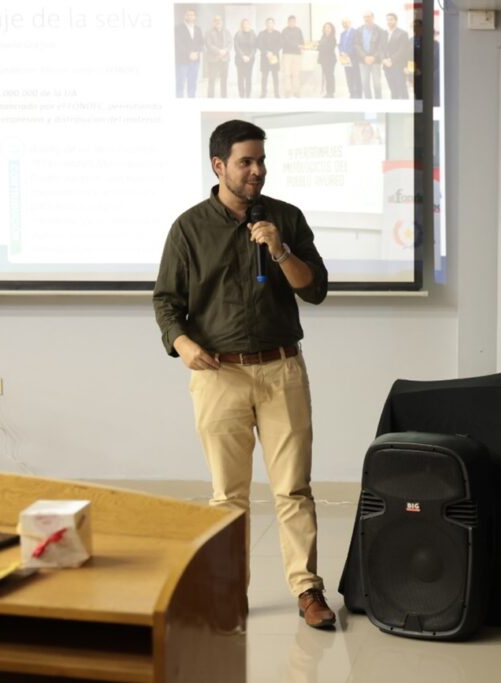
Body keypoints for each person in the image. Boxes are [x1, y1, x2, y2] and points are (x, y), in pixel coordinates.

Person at [153, 119, 335, 630]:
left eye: (261, 160)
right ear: (219, 166)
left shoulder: (285, 218)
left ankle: (307, 589)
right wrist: (182, 343)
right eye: (246, 162)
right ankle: (228, 593)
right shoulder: (189, 228)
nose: (257, 170)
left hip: (281, 370)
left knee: (293, 489)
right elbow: (166, 301)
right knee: (228, 496)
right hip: (219, 376)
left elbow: (315, 289)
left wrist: (279, 249)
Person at [353, 11, 385, 99]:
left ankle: (378, 101)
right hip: (363, 61)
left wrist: (374, 57)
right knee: (365, 83)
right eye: (365, 17)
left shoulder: (380, 30)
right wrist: (364, 56)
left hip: (376, 61)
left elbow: (381, 46)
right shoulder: (359, 30)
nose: (366, 18)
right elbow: (356, 44)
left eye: (368, 16)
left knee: (377, 84)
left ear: (373, 17)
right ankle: (368, 101)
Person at [174, 8, 204, 98]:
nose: (190, 16)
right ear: (185, 16)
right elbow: (177, 44)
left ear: (195, 17)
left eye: (192, 15)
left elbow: (201, 43)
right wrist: (189, 54)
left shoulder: (198, 29)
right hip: (182, 61)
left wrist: (197, 53)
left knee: (192, 83)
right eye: (188, 14)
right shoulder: (178, 28)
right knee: (180, 84)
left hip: (195, 61)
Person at [381, 13, 410, 100]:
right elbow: (380, 48)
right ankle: (394, 106)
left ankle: (405, 106)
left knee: (402, 89)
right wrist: (383, 60)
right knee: (393, 90)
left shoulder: (403, 33)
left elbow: (403, 50)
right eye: (387, 19)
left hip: (398, 66)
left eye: (391, 19)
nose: (389, 21)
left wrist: (391, 59)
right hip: (387, 66)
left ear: (396, 21)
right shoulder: (384, 33)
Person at [205, 15, 230, 98]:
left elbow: (230, 43)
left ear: (222, 22)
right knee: (211, 81)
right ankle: (210, 99)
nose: (218, 22)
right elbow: (208, 44)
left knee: (224, 81)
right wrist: (219, 51)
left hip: (224, 60)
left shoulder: (227, 32)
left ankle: (224, 98)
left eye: (219, 20)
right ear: (213, 22)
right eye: (216, 20)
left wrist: (225, 50)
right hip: (213, 60)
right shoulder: (208, 32)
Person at [280, 15, 304, 97]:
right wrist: (297, 45)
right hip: (287, 54)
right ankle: (287, 91)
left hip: (297, 55)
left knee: (296, 74)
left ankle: (296, 91)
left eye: (293, 21)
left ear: (295, 22)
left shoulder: (299, 30)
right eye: (290, 21)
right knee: (287, 73)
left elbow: (302, 41)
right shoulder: (284, 31)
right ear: (288, 22)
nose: (292, 23)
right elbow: (286, 42)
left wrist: (302, 46)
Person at [338, 18, 362, 99]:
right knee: (348, 77)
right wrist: (341, 52)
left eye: (346, 22)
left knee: (356, 77)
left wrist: (347, 53)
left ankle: (358, 94)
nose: (344, 24)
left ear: (350, 23)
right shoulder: (342, 34)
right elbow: (340, 44)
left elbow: (356, 44)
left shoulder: (355, 32)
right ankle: (351, 93)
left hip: (354, 58)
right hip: (345, 59)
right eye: (343, 23)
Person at [257, 17, 281, 98]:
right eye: (268, 23)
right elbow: (259, 44)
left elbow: (280, 44)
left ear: (274, 24)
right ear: (266, 24)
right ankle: (263, 93)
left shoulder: (278, 33)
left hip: (274, 57)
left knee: (275, 76)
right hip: (265, 58)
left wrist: (273, 52)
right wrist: (266, 52)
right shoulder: (261, 34)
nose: (269, 24)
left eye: (271, 23)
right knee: (264, 77)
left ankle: (276, 93)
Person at [234, 19, 257, 98]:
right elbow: (236, 47)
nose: (245, 25)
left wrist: (249, 57)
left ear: (249, 25)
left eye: (247, 24)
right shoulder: (238, 34)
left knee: (248, 78)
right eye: (244, 24)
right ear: (242, 25)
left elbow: (255, 47)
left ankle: (248, 95)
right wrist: (243, 56)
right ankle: (241, 95)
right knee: (240, 78)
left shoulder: (253, 34)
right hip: (240, 60)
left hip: (250, 60)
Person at [317, 22, 337, 98]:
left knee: (330, 76)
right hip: (323, 60)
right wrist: (317, 46)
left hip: (330, 60)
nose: (326, 29)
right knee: (327, 76)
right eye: (325, 27)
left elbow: (328, 49)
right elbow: (320, 46)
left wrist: (319, 47)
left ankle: (331, 93)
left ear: (331, 29)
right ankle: (328, 92)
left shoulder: (332, 38)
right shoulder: (323, 37)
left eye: (328, 27)